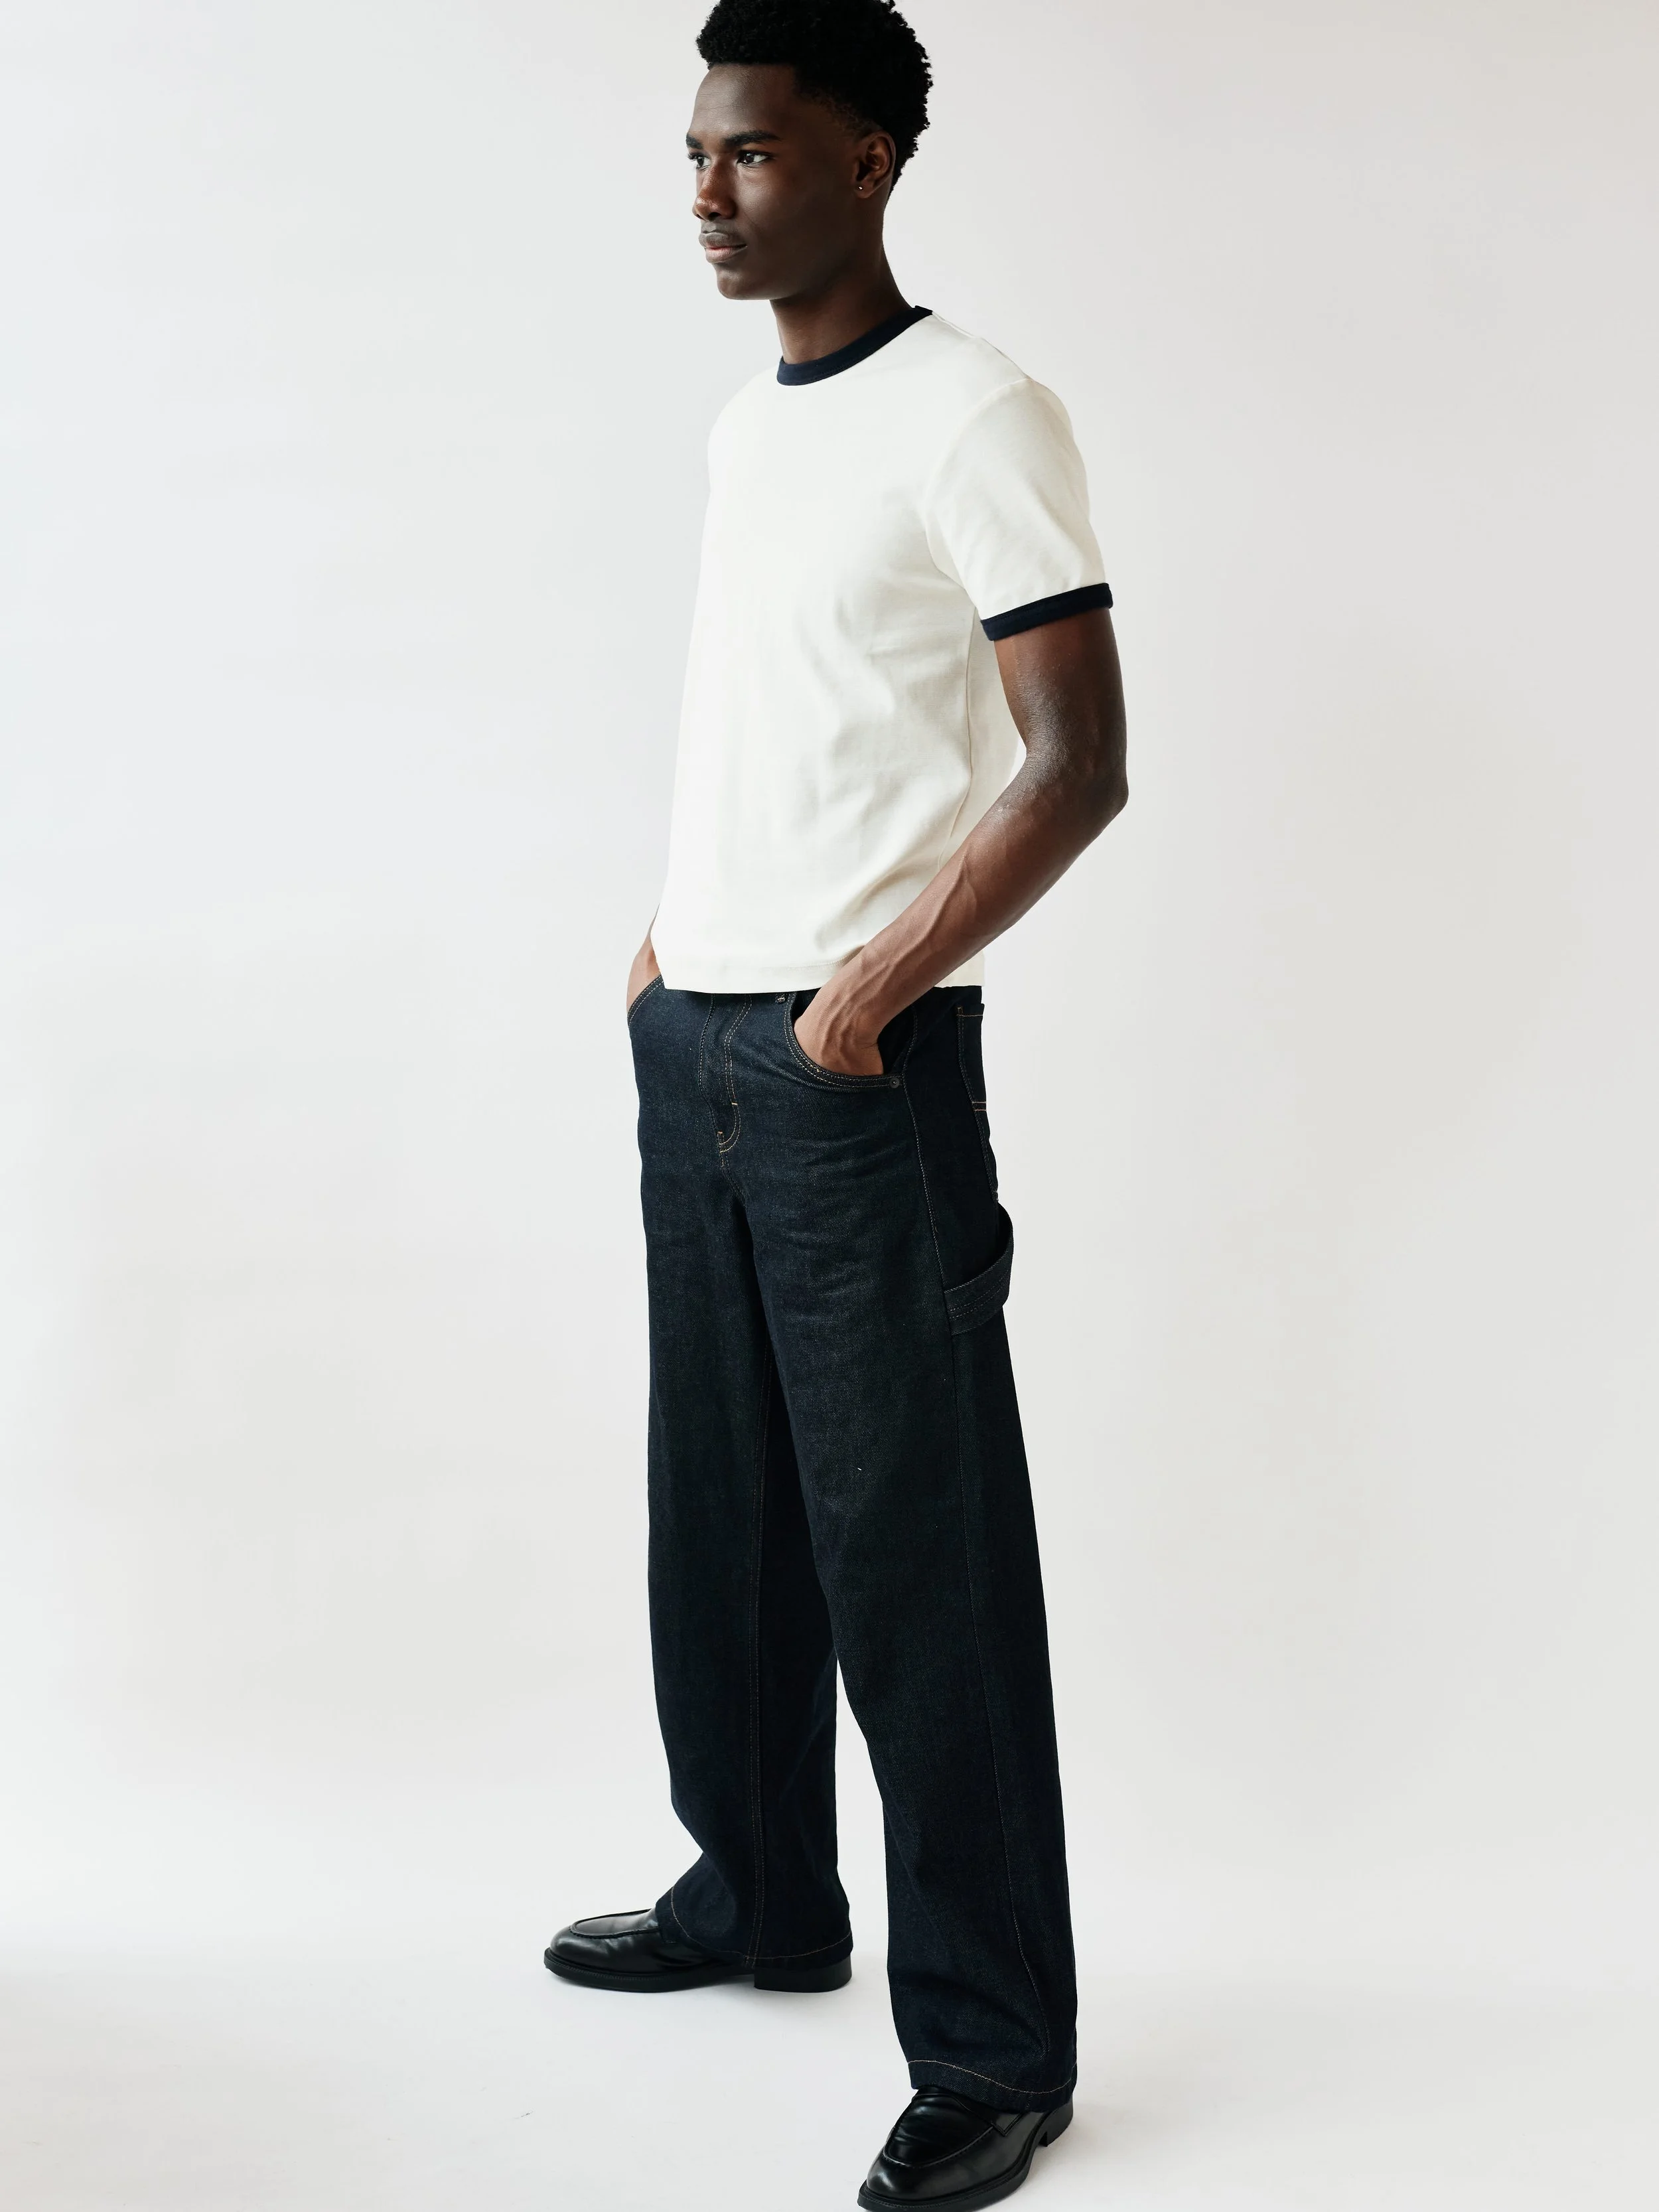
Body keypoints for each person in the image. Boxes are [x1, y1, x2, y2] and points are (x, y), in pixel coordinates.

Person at [545, 3, 1127, 2203]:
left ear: (870, 160)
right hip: (698, 1031)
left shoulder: (976, 413)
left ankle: (994, 2043)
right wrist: (672, 931)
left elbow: (1079, 761)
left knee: (922, 1567)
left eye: (756, 156)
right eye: (696, 154)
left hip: (849, 1071)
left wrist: (873, 981)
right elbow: (783, 721)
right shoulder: (743, 429)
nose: (709, 193)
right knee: (721, 1515)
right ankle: (758, 1891)